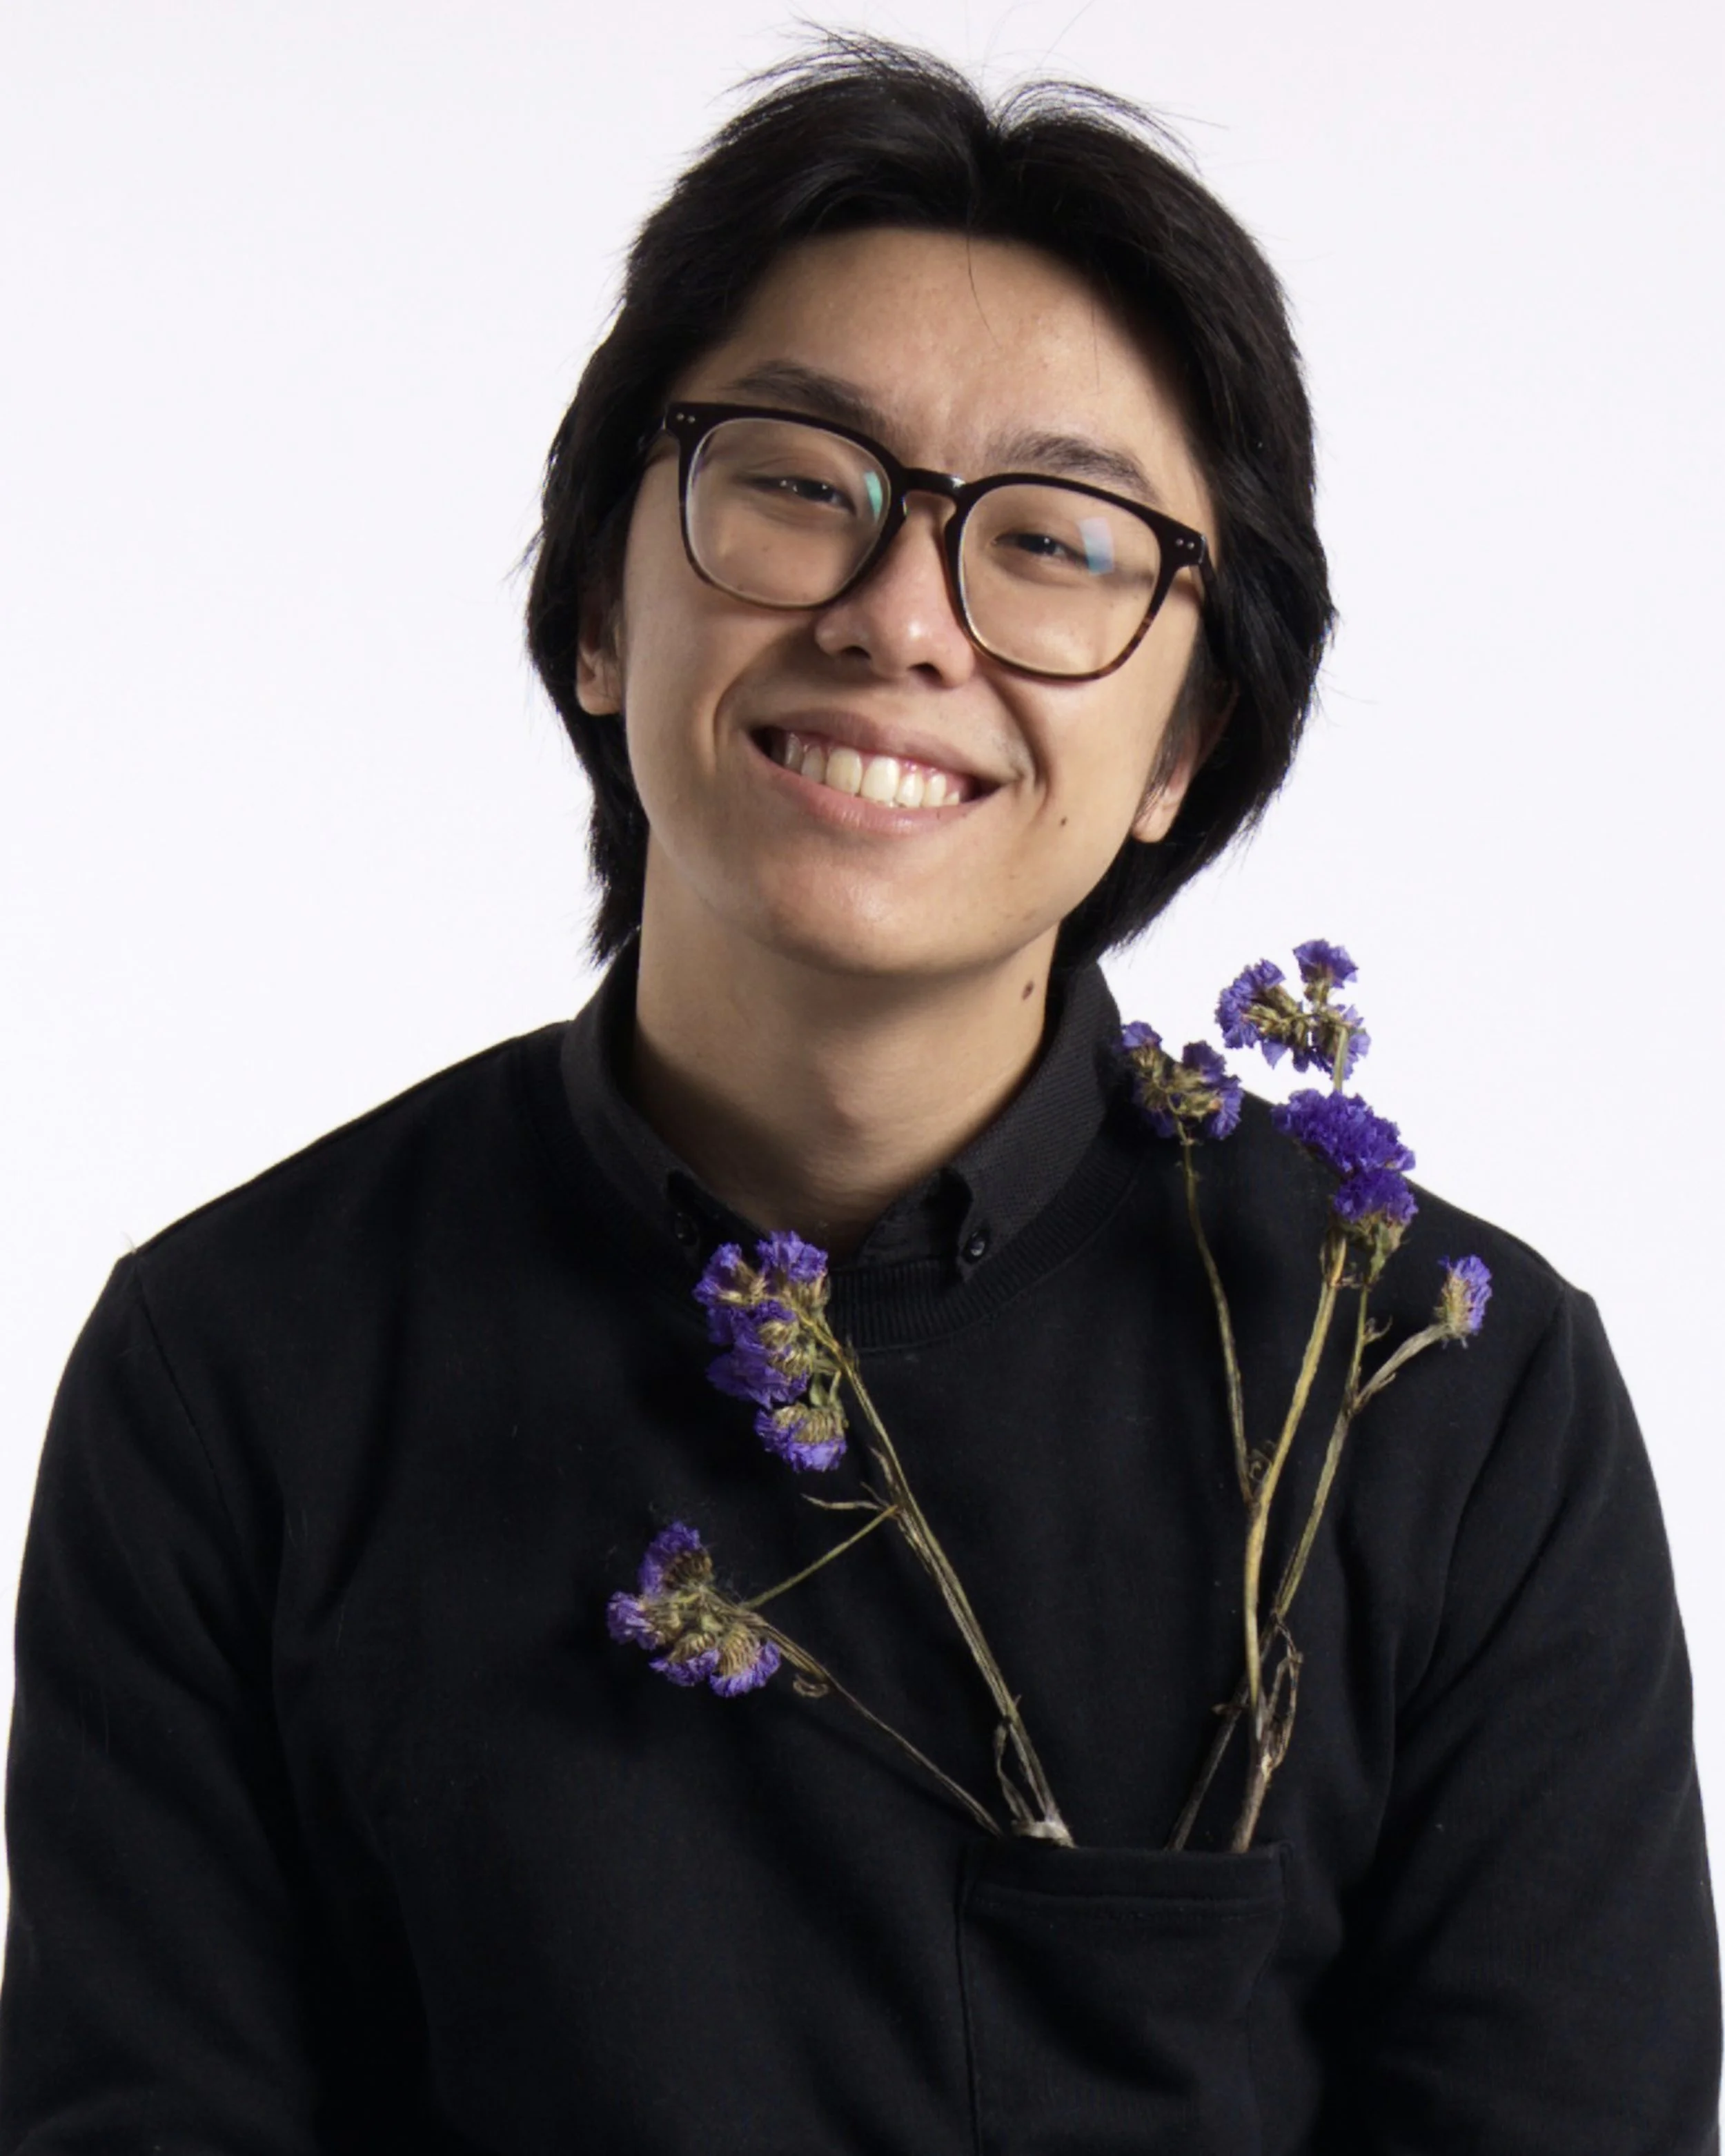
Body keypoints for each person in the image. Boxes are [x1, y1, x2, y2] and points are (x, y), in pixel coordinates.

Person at [1, 35, 1717, 2155]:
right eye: (802, 482)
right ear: (600, 612)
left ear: (1184, 744)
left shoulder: (1444, 1399)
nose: (902, 616)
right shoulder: (232, 1371)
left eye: (1056, 543)